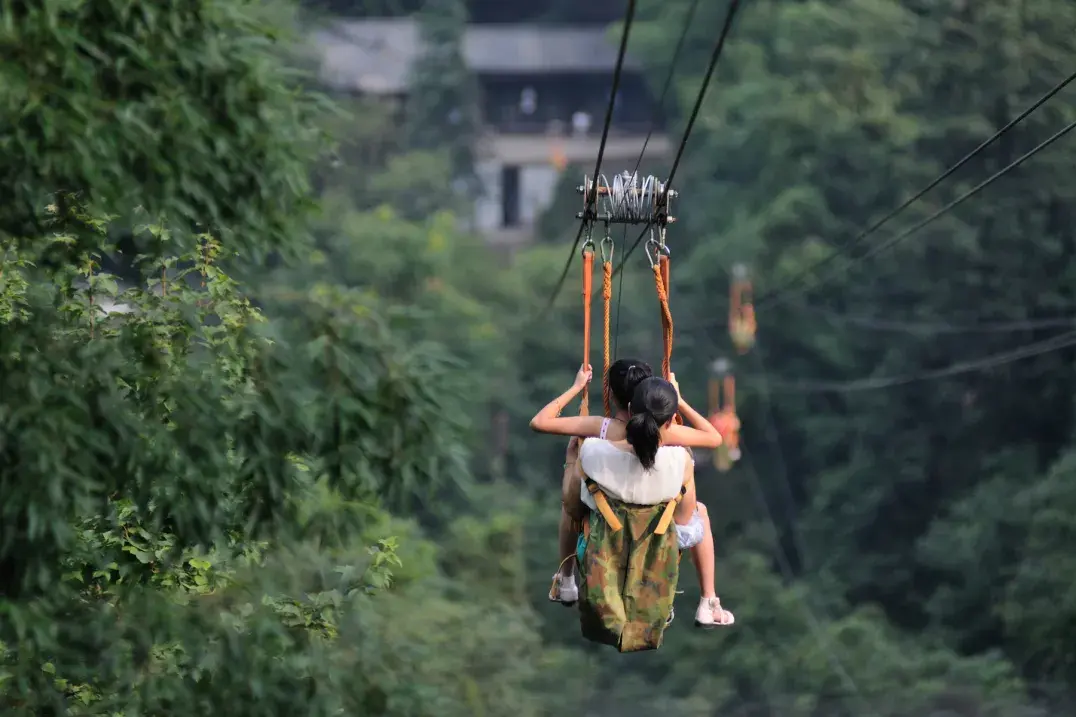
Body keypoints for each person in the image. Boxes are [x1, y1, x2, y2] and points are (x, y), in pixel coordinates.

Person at [529, 360, 735, 628]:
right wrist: (679, 400)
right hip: (657, 538)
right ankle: (709, 600)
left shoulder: (595, 443)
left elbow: (540, 422)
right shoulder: (674, 448)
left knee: (572, 507)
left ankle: (566, 578)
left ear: (620, 401)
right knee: (700, 512)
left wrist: (576, 387)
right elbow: (715, 438)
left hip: (608, 536)